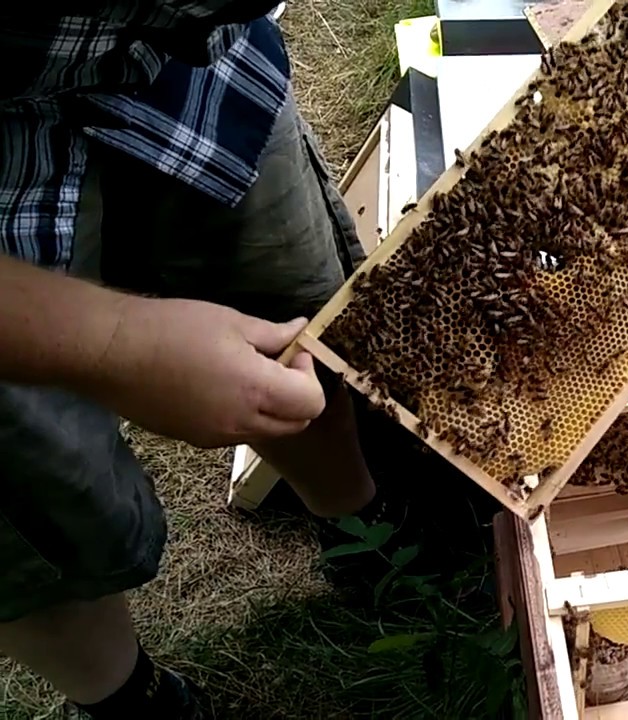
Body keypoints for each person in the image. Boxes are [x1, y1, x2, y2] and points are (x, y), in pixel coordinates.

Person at [0, 4, 402, 717]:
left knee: (299, 328)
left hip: (182, 67)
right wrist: (115, 341)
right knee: (31, 518)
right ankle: (137, 703)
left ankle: (365, 540)